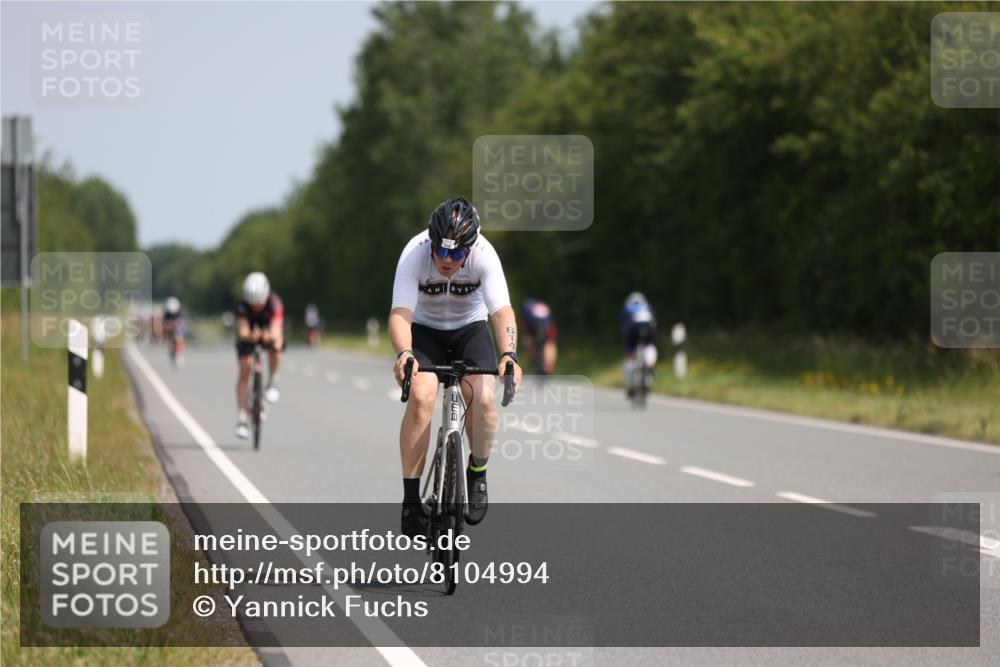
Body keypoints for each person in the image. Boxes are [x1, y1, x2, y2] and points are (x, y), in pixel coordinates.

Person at [389, 196, 522, 537]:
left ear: (470, 248)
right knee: (421, 396)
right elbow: (400, 314)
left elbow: (501, 312)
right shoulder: (414, 253)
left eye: (456, 253)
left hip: (470, 330)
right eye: (441, 251)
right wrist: (405, 353)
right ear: (431, 244)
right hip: (425, 332)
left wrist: (508, 354)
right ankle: (411, 501)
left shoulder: (484, 254)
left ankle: (477, 472)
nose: (447, 260)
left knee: (484, 397)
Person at [234, 272, 285, 439]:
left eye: (259, 304)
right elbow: (242, 331)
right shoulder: (242, 305)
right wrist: (251, 336)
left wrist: (268, 336)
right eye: (252, 304)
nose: (255, 307)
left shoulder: (275, 303)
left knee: (277, 345)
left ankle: (272, 382)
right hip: (248, 335)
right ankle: (242, 417)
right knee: (245, 369)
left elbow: (277, 331)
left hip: (267, 331)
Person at [619, 292, 657, 397]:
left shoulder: (626, 308)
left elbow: (622, 325)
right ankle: (650, 368)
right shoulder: (648, 307)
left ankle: (630, 385)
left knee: (630, 356)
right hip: (649, 327)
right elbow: (655, 322)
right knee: (650, 346)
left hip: (632, 329)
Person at [520, 298, 558, 375]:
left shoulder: (527, 310)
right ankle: (548, 366)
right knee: (550, 343)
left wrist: (530, 354)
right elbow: (551, 340)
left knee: (529, 342)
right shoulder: (541, 307)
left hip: (534, 325)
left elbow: (527, 333)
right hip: (548, 324)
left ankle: (534, 360)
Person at [162, 296, 186, 368]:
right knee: (169, 341)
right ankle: (172, 351)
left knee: (179, 338)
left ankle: (179, 354)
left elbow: (179, 325)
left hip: (178, 331)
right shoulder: (166, 315)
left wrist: (172, 326)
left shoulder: (179, 314)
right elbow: (164, 326)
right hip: (169, 331)